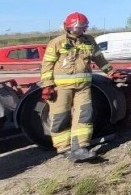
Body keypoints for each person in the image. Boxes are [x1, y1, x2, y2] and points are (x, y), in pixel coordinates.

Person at [40, 12, 120, 162]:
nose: (77, 31)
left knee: (84, 116)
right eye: (74, 28)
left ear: (85, 28)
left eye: (80, 28)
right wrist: (47, 85)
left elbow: (99, 58)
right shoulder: (57, 42)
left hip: (83, 87)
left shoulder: (89, 41)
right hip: (61, 88)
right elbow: (47, 65)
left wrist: (110, 71)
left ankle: (80, 147)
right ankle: (64, 149)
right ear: (67, 27)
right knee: (60, 116)